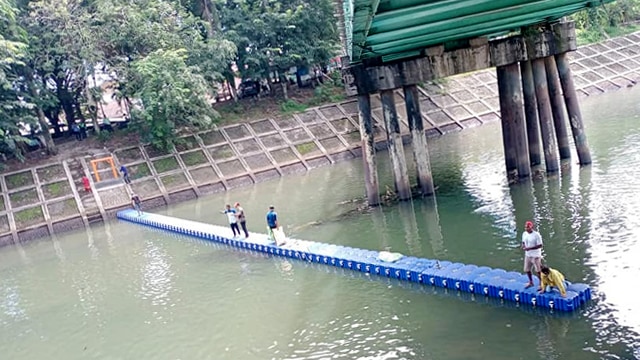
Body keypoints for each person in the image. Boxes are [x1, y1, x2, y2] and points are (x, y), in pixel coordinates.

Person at [522, 220, 543, 289]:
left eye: (528, 227)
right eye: (526, 227)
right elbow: (523, 242)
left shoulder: (536, 235)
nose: (527, 229)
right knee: (527, 269)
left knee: (538, 270)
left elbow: (540, 245)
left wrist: (530, 248)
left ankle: (541, 283)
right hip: (528, 255)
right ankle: (531, 282)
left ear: (532, 227)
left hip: (535, 255)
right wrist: (523, 246)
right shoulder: (524, 234)